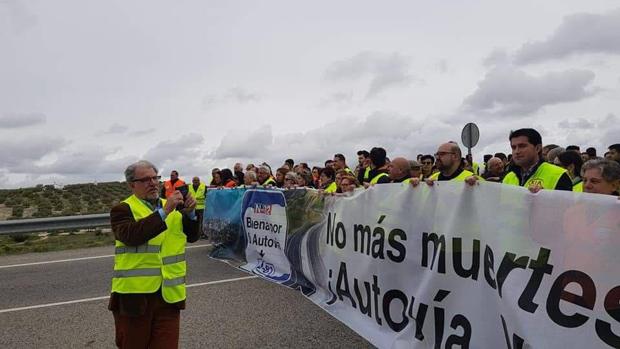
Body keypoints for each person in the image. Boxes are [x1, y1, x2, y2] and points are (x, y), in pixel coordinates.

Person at [109, 160, 199, 348]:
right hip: (135, 297)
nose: (153, 183)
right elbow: (132, 236)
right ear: (132, 185)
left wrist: (191, 214)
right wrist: (164, 212)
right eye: (145, 180)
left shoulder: (173, 207)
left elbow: (192, 236)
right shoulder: (122, 209)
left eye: (155, 178)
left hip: (169, 296)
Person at [502, 128, 572, 192]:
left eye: (522, 146)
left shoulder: (558, 174)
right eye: (513, 147)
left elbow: (567, 205)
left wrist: (544, 198)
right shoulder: (508, 178)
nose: (517, 151)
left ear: (538, 148)